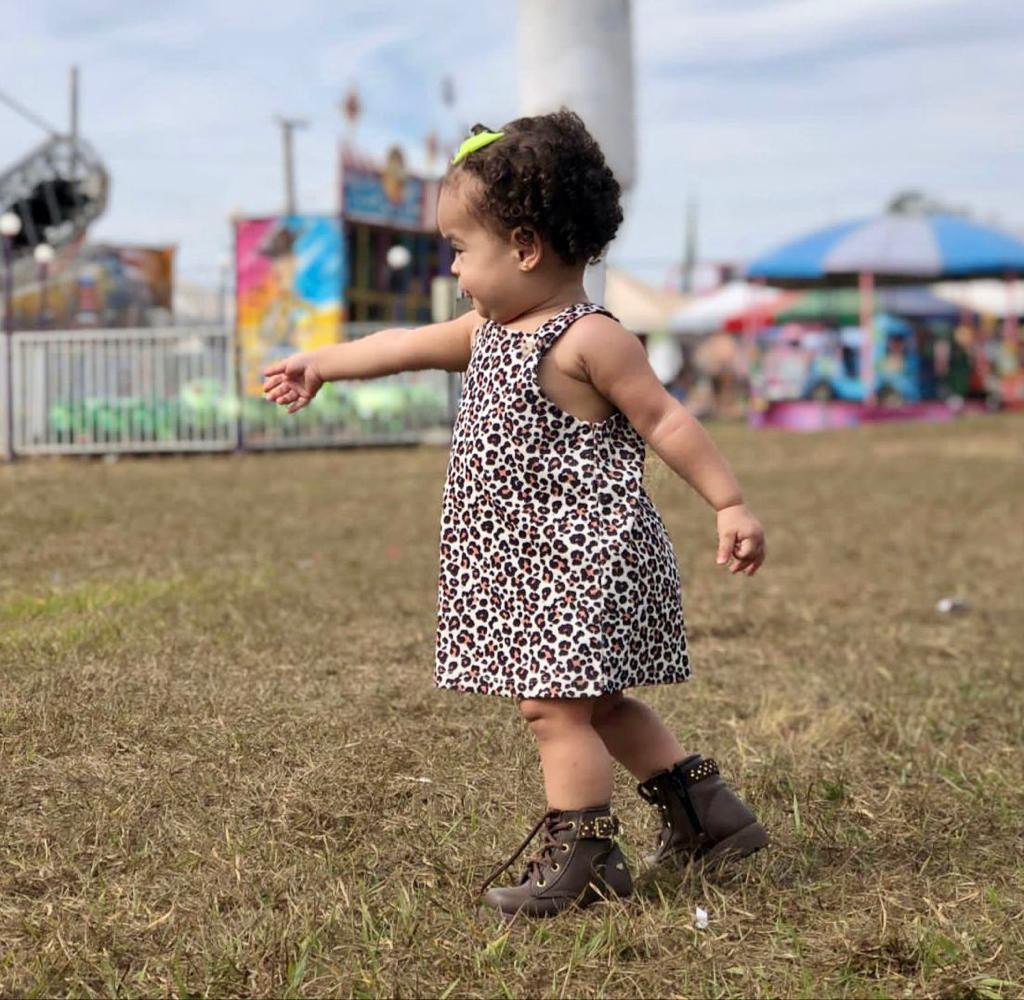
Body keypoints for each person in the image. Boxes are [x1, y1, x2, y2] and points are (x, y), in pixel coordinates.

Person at [263, 111, 768, 921]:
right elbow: (400, 342)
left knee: (554, 707)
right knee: (599, 704)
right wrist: (323, 362)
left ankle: (587, 852)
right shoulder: (486, 331)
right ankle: (712, 817)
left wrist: (730, 502)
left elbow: (667, 420)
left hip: (587, 556)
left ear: (526, 246)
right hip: (530, 563)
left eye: (462, 250)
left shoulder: (589, 338)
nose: (456, 270)